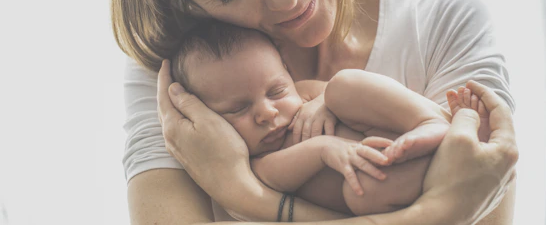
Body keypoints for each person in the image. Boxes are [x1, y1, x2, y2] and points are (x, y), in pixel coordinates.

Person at [111, 0, 518, 223]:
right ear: (185, 1)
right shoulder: (181, 77)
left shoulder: (439, 22)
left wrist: (246, 195)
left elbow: (482, 195)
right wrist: (438, 212)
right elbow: (459, 200)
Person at [169, 20, 464, 215]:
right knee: (363, 192)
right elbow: (272, 176)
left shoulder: (305, 93)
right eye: (237, 109)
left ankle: (430, 122)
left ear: (287, 70)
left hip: (396, 136)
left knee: (344, 86)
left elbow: (354, 99)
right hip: (392, 186)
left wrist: (324, 101)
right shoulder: (252, 165)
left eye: (276, 90)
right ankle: (434, 157)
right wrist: (324, 148)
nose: (267, 112)